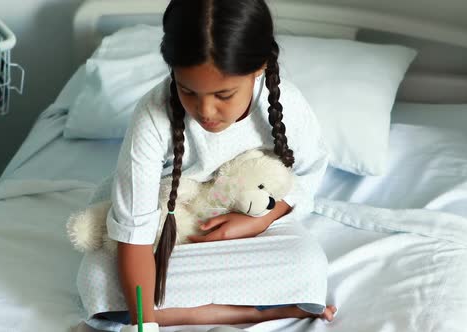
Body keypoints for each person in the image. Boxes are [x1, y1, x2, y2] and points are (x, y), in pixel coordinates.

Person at [77, 1, 337, 331]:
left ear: (259, 66)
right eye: (188, 91)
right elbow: (135, 236)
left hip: (248, 217)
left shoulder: (285, 103)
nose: (206, 111)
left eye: (224, 95)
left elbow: (308, 173)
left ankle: (182, 310)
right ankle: (252, 311)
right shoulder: (152, 116)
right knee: (98, 277)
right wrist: (144, 328)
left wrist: (258, 221)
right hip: (165, 227)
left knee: (307, 264)